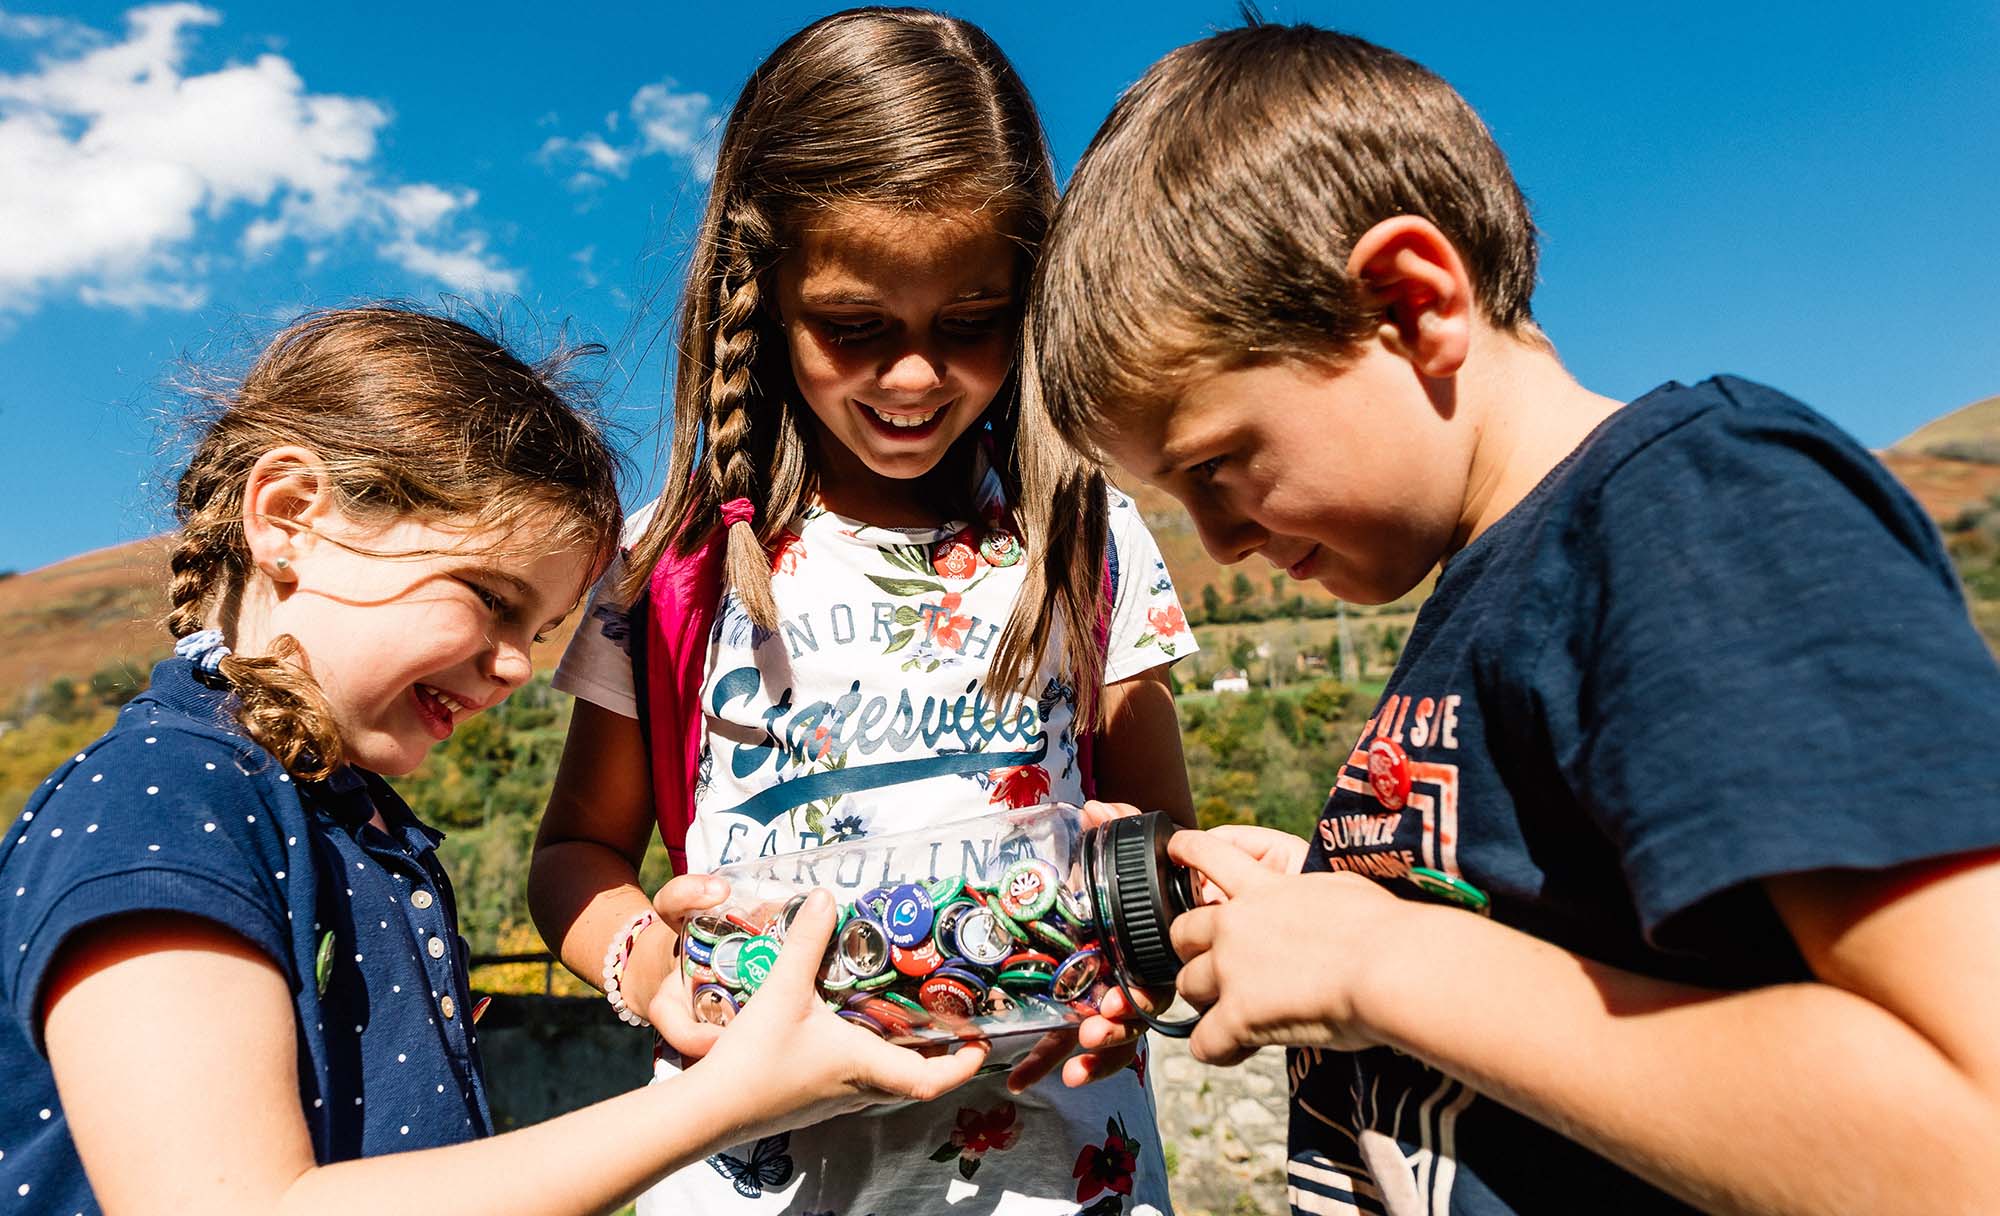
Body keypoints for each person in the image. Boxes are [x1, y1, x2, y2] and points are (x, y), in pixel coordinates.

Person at [1026, 21, 2000, 1216]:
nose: (1217, 541)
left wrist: (1381, 960)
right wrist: (1337, 894)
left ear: (1409, 299)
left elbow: (1970, 1137)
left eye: (1220, 464)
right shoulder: (1490, 586)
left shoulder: (1691, 513)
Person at [0, 306, 985, 1216]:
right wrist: (721, 1105)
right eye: (490, 598)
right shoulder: (163, 802)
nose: (516, 664)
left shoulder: (345, 817)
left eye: (543, 626)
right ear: (291, 512)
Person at [529, 9, 1196, 1214]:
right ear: (762, 297)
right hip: (753, 1175)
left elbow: (1151, 854)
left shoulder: (1086, 542)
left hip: (1057, 1172)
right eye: (853, 328)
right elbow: (576, 854)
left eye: (969, 322)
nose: (912, 377)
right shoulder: (665, 568)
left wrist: (1123, 977)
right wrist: (650, 969)